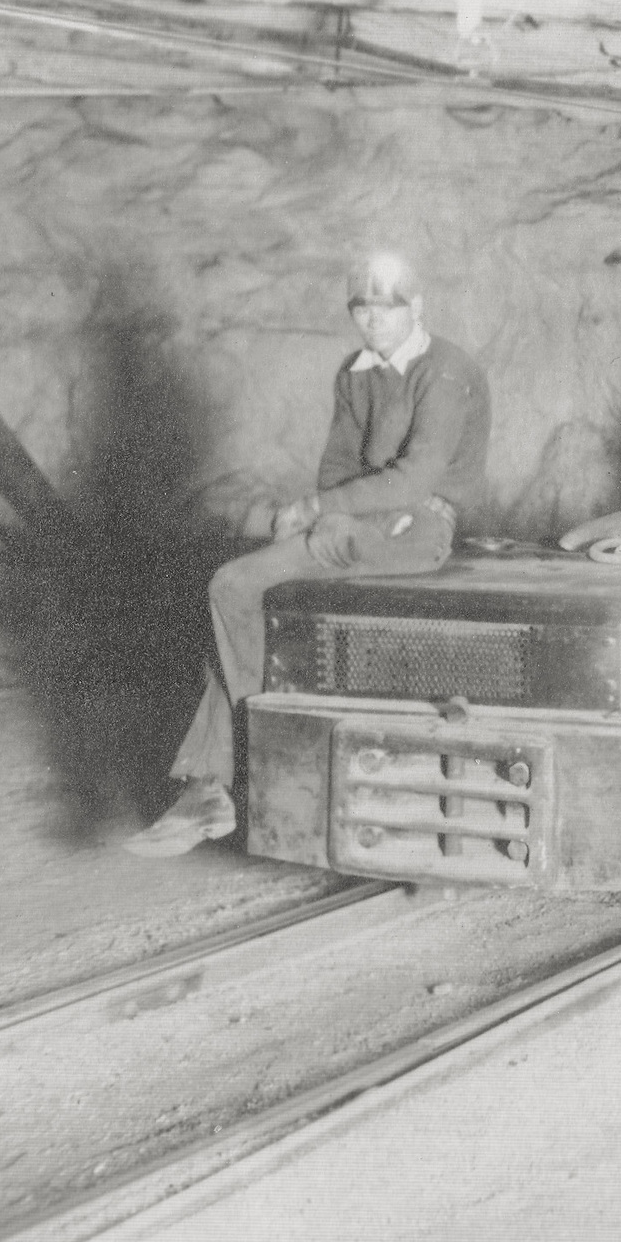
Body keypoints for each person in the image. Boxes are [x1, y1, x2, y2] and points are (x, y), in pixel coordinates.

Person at [123, 250, 492, 855]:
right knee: (234, 586)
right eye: (362, 308)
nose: (373, 320)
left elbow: (415, 479)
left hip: (419, 526)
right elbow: (339, 464)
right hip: (359, 521)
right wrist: (321, 509)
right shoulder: (356, 371)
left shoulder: (445, 371)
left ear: (417, 308)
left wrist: (322, 512)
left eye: (387, 308)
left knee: (277, 568)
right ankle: (211, 785)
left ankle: (227, 767)